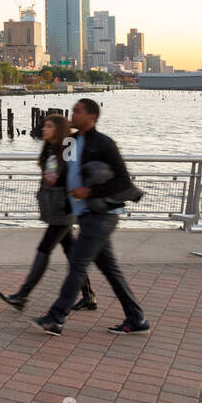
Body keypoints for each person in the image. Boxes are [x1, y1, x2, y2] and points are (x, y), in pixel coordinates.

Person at [32, 98, 150, 336]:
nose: (72, 115)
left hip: (103, 214)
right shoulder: (71, 141)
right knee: (110, 270)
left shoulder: (104, 144)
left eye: (77, 111)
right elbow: (62, 172)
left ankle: (56, 318)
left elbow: (123, 181)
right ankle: (137, 318)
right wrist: (53, 179)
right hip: (83, 213)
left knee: (77, 262)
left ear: (91, 117)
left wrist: (90, 191)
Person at [0, 113, 95, 311]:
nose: (44, 129)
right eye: (45, 126)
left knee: (44, 248)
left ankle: (23, 295)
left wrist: (57, 178)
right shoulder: (51, 147)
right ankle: (88, 296)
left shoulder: (67, 147)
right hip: (56, 206)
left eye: (49, 126)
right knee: (71, 252)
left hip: (64, 208)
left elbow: (71, 174)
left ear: (58, 129)